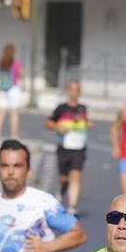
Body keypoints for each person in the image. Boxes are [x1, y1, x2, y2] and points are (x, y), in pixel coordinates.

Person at [46, 79, 90, 215]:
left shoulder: (83, 108)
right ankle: (62, 189)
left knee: (76, 176)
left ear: (79, 92)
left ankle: (72, 206)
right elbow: (48, 122)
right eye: (72, 89)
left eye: (77, 90)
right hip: (64, 148)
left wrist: (88, 124)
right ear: (68, 91)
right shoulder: (61, 108)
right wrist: (57, 127)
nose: (74, 92)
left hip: (79, 148)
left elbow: (85, 123)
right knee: (64, 179)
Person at [0, 43, 22, 140]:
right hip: (13, 89)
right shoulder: (16, 64)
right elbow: (21, 75)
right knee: (14, 115)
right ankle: (14, 136)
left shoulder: (1, 63)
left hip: (2, 90)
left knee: (0, 114)